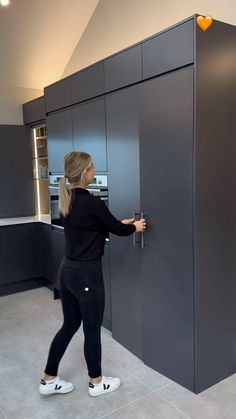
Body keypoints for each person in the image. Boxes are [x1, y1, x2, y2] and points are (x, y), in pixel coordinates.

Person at [38, 151, 146, 397]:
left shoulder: (67, 200)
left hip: (67, 271)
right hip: (86, 275)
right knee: (91, 329)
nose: (94, 171)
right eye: (93, 167)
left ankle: (49, 379)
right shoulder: (91, 202)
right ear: (85, 173)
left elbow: (94, 227)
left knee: (69, 325)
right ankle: (97, 383)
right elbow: (116, 229)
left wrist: (123, 224)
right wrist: (135, 227)